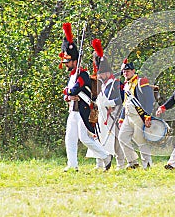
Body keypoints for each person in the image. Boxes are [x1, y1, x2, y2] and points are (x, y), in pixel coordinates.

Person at [59, 23, 112, 172]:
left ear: (75, 61)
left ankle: (106, 157)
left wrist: (69, 93)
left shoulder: (82, 74)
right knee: (69, 138)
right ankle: (72, 165)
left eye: (68, 61)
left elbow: (76, 89)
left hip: (83, 111)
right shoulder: (73, 75)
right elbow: (71, 92)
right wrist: (68, 96)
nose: (66, 64)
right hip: (73, 111)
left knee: (85, 138)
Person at [85, 39, 126, 170]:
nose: (100, 75)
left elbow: (121, 99)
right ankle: (99, 165)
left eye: (102, 73)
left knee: (117, 143)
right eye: (99, 73)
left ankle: (121, 164)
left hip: (114, 116)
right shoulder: (102, 85)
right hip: (102, 118)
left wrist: (110, 103)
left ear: (108, 72)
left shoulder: (115, 83)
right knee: (100, 142)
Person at [118, 59, 155, 169]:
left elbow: (149, 100)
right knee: (122, 138)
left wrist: (147, 116)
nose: (126, 73)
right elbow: (125, 103)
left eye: (128, 71)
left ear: (134, 71)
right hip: (128, 116)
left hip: (139, 116)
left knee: (141, 141)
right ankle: (132, 162)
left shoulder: (141, 81)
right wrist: (121, 118)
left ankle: (147, 164)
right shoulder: (126, 84)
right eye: (124, 71)